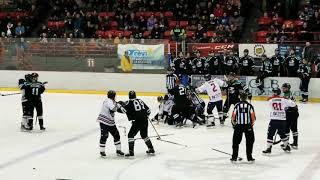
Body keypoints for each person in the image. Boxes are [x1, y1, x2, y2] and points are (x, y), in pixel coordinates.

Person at [120, 91, 155, 157]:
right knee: (144, 135)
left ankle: (131, 152)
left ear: (129, 96)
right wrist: (144, 115)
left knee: (130, 135)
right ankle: (151, 148)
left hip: (138, 122)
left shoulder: (128, 102)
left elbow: (123, 110)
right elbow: (148, 111)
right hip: (145, 120)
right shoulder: (140, 100)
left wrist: (120, 105)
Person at [262, 88, 296, 154]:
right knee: (282, 134)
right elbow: (293, 104)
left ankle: (269, 148)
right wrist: (288, 101)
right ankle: (287, 146)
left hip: (274, 120)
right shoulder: (284, 100)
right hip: (282, 120)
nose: (272, 93)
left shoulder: (271, 100)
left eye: (273, 92)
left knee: (270, 134)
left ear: (275, 93)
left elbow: (268, 100)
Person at [97, 90, 125, 157]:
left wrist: (121, 107)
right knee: (104, 136)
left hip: (110, 122)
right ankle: (102, 151)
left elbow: (120, 109)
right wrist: (119, 105)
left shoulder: (113, 102)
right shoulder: (108, 101)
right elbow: (113, 108)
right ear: (114, 96)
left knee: (116, 135)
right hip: (104, 122)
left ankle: (118, 150)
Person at [231, 93, 256, 163]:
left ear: (240, 98)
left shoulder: (237, 105)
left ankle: (234, 158)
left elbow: (233, 116)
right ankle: (249, 158)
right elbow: (253, 117)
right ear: (246, 98)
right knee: (250, 141)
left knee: (235, 142)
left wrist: (234, 124)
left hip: (238, 126)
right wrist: (251, 124)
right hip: (248, 126)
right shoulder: (250, 106)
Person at [281, 83, 299, 149]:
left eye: (284, 88)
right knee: (294, 128)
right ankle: (295, 143)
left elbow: (286, 105)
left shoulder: (287, 94)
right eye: (282, 87)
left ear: (287, 88)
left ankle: (287, 143)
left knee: (287, 128)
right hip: (294, 112)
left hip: (290, 113)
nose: (282, 89)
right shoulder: (289, 93)